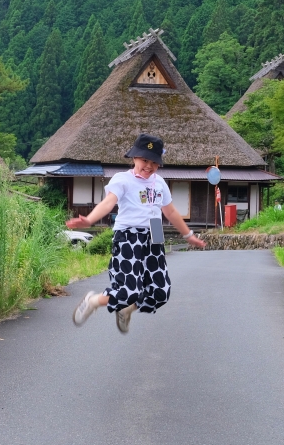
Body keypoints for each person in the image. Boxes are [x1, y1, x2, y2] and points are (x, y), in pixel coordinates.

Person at [65, 133, 206, 334]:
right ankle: (94, 301)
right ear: (134, 158)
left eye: (154, 162)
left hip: (155, 234)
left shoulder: (160, 183)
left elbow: (171, 212)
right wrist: (89, 220)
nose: (149, 166)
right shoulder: (122, 180)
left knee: (161, 292)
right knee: (129, 290)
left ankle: (126, 310)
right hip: (128, 235)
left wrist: (188, 235)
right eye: (144, 160)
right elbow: (108, 203)